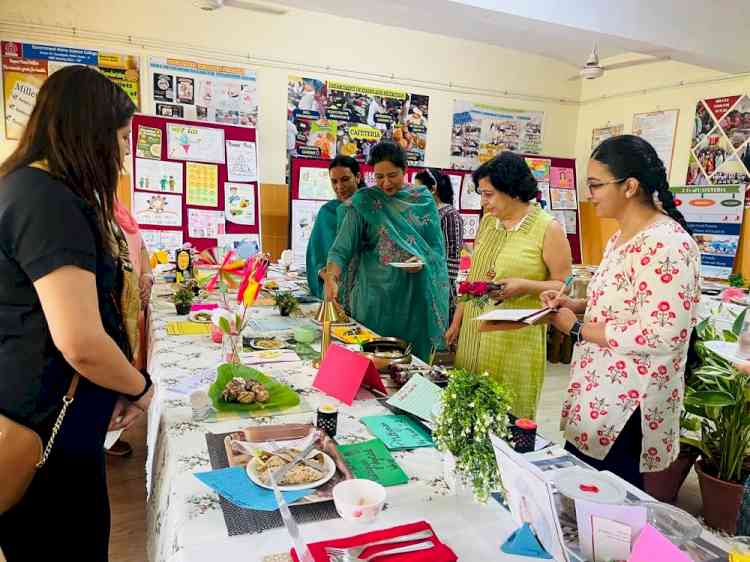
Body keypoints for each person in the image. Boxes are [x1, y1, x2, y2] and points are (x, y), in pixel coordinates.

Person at [0, 65, 154, 561]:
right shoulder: (46, 200)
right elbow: (81, 341)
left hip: (53, 422)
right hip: (48, 429)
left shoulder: (31, 189)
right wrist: (139, 387)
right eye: (122, 140)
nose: (124, 155)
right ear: (90, 134)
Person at [542, 135, 701, 489]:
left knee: (610, 501)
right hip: (599, 389)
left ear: (629, 186)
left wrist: (579, 329)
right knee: (578, 485)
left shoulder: (668, 245)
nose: (590, 195)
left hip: (631, 401)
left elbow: (664, 333)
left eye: (596, 185)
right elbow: (622, 302)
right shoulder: (621, 238)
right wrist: (575, 305)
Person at [447, 152, 572, 420]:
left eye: (489, 194)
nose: (483, 202)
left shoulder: (547, 228)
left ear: (512, 190)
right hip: (474, 329)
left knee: (507, 417)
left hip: (515, 338)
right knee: (467, 413)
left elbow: (564, 285)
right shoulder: (489, 222)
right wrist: (457, 320)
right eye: (481, 194)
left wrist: (526, 286)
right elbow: (475, 277)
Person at [323, 141, 449, 361]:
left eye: (392, 175)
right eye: (379, 176)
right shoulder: (365, 201)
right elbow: (341, 248)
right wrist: (332, 277)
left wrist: (422, 260)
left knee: (410, 364)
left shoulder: (422, 200)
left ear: (405, 170)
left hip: (413, 297)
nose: (385, 183)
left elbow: (436, 248)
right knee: (371, 361)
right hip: (374, 298)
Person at [107, 199, 154, 457]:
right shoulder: (92, 210)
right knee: (115, 363)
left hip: (133, 303)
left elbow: (142, 249)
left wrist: (146, 276)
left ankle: (112, 432)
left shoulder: (122, 211)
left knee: (128, 359)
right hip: (117, 305)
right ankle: (107, 434)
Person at [306, 156, 363, 309]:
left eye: (345, 179)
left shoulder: (370, 209)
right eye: (334, 181)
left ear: (357, 177)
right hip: (335, 291)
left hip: (365, 291)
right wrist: (329, 278)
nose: (339, 186)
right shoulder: (327, 212)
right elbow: (315, 255)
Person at [414, 168, 463, 323]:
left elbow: (452, 255)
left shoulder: (449, 215)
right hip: (423, 280)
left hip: (440, 285)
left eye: (419, 189)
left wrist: (442, 285)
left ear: (433, 189)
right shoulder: (425, 213)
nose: (416, 195)